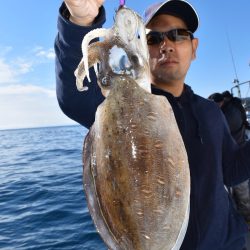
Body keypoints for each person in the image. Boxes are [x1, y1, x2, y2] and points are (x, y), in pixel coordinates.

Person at [54, 0, 250, 249]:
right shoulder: (119, 103)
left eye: (177, 35)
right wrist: (81, 20)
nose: (166, 45)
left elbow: (231, 170)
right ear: (142, 50)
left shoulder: (210, 111)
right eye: (153, 38)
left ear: (194, 47)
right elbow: (74, 98)